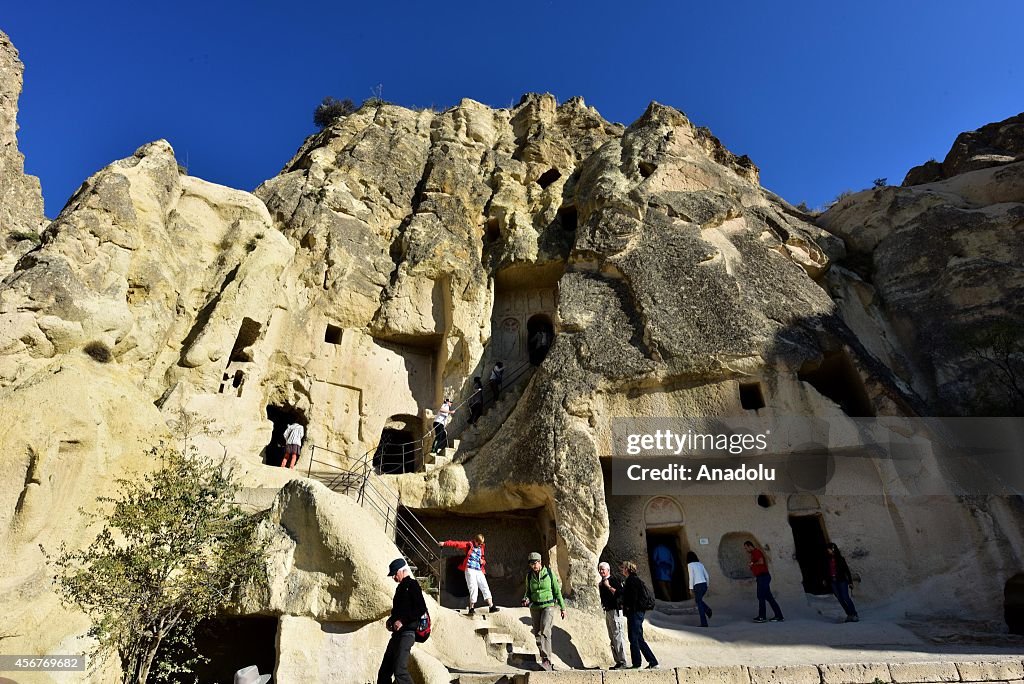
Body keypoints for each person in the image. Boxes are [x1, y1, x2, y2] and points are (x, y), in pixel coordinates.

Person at [377, 558, 427, 684]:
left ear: (401, 571)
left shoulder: (412, 585)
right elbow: (397, 612)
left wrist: (402, 621)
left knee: (400, 670)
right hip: (396, 635)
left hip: (407, 634)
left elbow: (420, 608)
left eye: (394, 574)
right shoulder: (399, 589)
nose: (393, 577)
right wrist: (391, 621)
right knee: (384, 671)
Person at [521, 551, 565, 672]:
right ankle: (544, 659)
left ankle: (547, 660)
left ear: (540, 562)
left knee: (545, 630)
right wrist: (526, 598)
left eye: (535, 562)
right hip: (535, 607)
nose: (533, 565)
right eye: (531, 563)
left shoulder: (549, 573)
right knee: (537, 634)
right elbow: (528, 592)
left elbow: (557, 591)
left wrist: (563, 607)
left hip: (548, 606)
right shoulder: (529, 576)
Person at [441, 533, 498, 615]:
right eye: (479, 543)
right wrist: (445, 543)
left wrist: (483, 562)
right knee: (473, 588)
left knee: (485, 586)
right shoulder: (469, 545)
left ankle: (491, 606)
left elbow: (483, 559)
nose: (480, 545)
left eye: (481, 544)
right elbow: (457, 543)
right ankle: (471, 608)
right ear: (475, 541)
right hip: (470, 569)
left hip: (479, 570)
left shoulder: (481, 548)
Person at [620, 560, 659, 669]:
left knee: (634, 638)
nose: (621, 570)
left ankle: (637, 663)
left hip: (635, 612)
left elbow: (632, 597)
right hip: (638, 612)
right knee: (638, 638)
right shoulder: (635, 580)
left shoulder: (631, 581)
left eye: (622, 568)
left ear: (627, 569)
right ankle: (653, 662)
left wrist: (626, 606)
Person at [597, 561, 628, 670]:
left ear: (608, 570)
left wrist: (608, 586)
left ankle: (623, 661)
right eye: (600, 569)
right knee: (612, 637)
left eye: (603, 569)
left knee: (618, 636)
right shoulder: (602, 583)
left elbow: (621, 594)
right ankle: (618, 661)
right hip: (608, 611)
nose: (601, 571)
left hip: (615, 610)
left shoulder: (613, 580)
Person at [745, 541, 784, 623]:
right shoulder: (754, 553)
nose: (745, 549)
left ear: (749, 546)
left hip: (763, 577)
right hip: (762, 577)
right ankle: (779, 616)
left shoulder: (756, 552)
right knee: (769, 598)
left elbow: (761, 561)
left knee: (761, 596)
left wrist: (752, 564)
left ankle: (762, 617)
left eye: (746, 547)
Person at [825, 543, 859, 622]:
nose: (827, 550)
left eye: (829, 549)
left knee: (845, 597)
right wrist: (826, 580)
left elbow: (847, 571)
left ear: (833, 549)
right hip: (833, 582)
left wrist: (850, 582)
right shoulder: (827, 559)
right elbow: (826, 571)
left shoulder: (840, 559)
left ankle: (854, 614)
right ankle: (849, 614)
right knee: (840, 599)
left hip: (842, 581)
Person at [686, 551, 712, 627]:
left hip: (697, 586)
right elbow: (707, 575)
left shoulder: (690, 565)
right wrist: (707, 585)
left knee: (699, 603)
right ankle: (708, 610)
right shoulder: (700, 564)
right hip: (704, 584)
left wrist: (690, 588)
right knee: (698, 601)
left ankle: (704, 623)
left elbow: (691, 577)